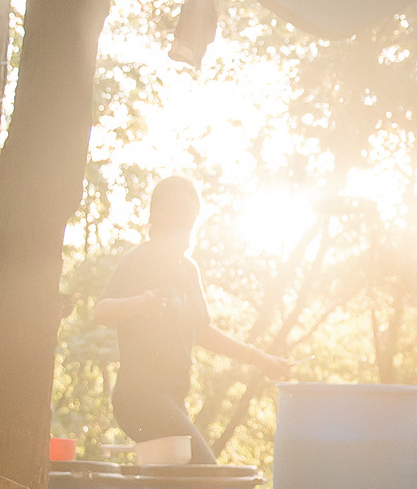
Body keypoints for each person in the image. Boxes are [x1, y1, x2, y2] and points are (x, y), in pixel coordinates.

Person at [93, 175, 288, 461]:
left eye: (187, 213)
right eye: (170, 210)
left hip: (173, 400)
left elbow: (203, 331)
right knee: (204, 472)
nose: (179, 219)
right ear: (154, 215)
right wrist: (138, 304)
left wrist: (261, 359)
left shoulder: (188, 270)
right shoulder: (139, 259)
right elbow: (101, 312)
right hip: (140, 398)